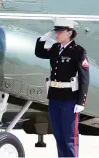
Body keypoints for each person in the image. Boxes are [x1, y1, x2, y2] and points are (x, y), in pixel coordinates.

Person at [35, 17, 90, 157]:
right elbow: (39, 53)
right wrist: (41, 40)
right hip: (54, 97)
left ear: (69, 33)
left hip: (69, 99)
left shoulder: (78, 52)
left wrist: (81, 102)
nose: (57, 34)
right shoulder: (55, 48)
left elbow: (84, 78)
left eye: (60, 31)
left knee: (70, 138)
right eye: (56, 31)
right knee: (58, 136)